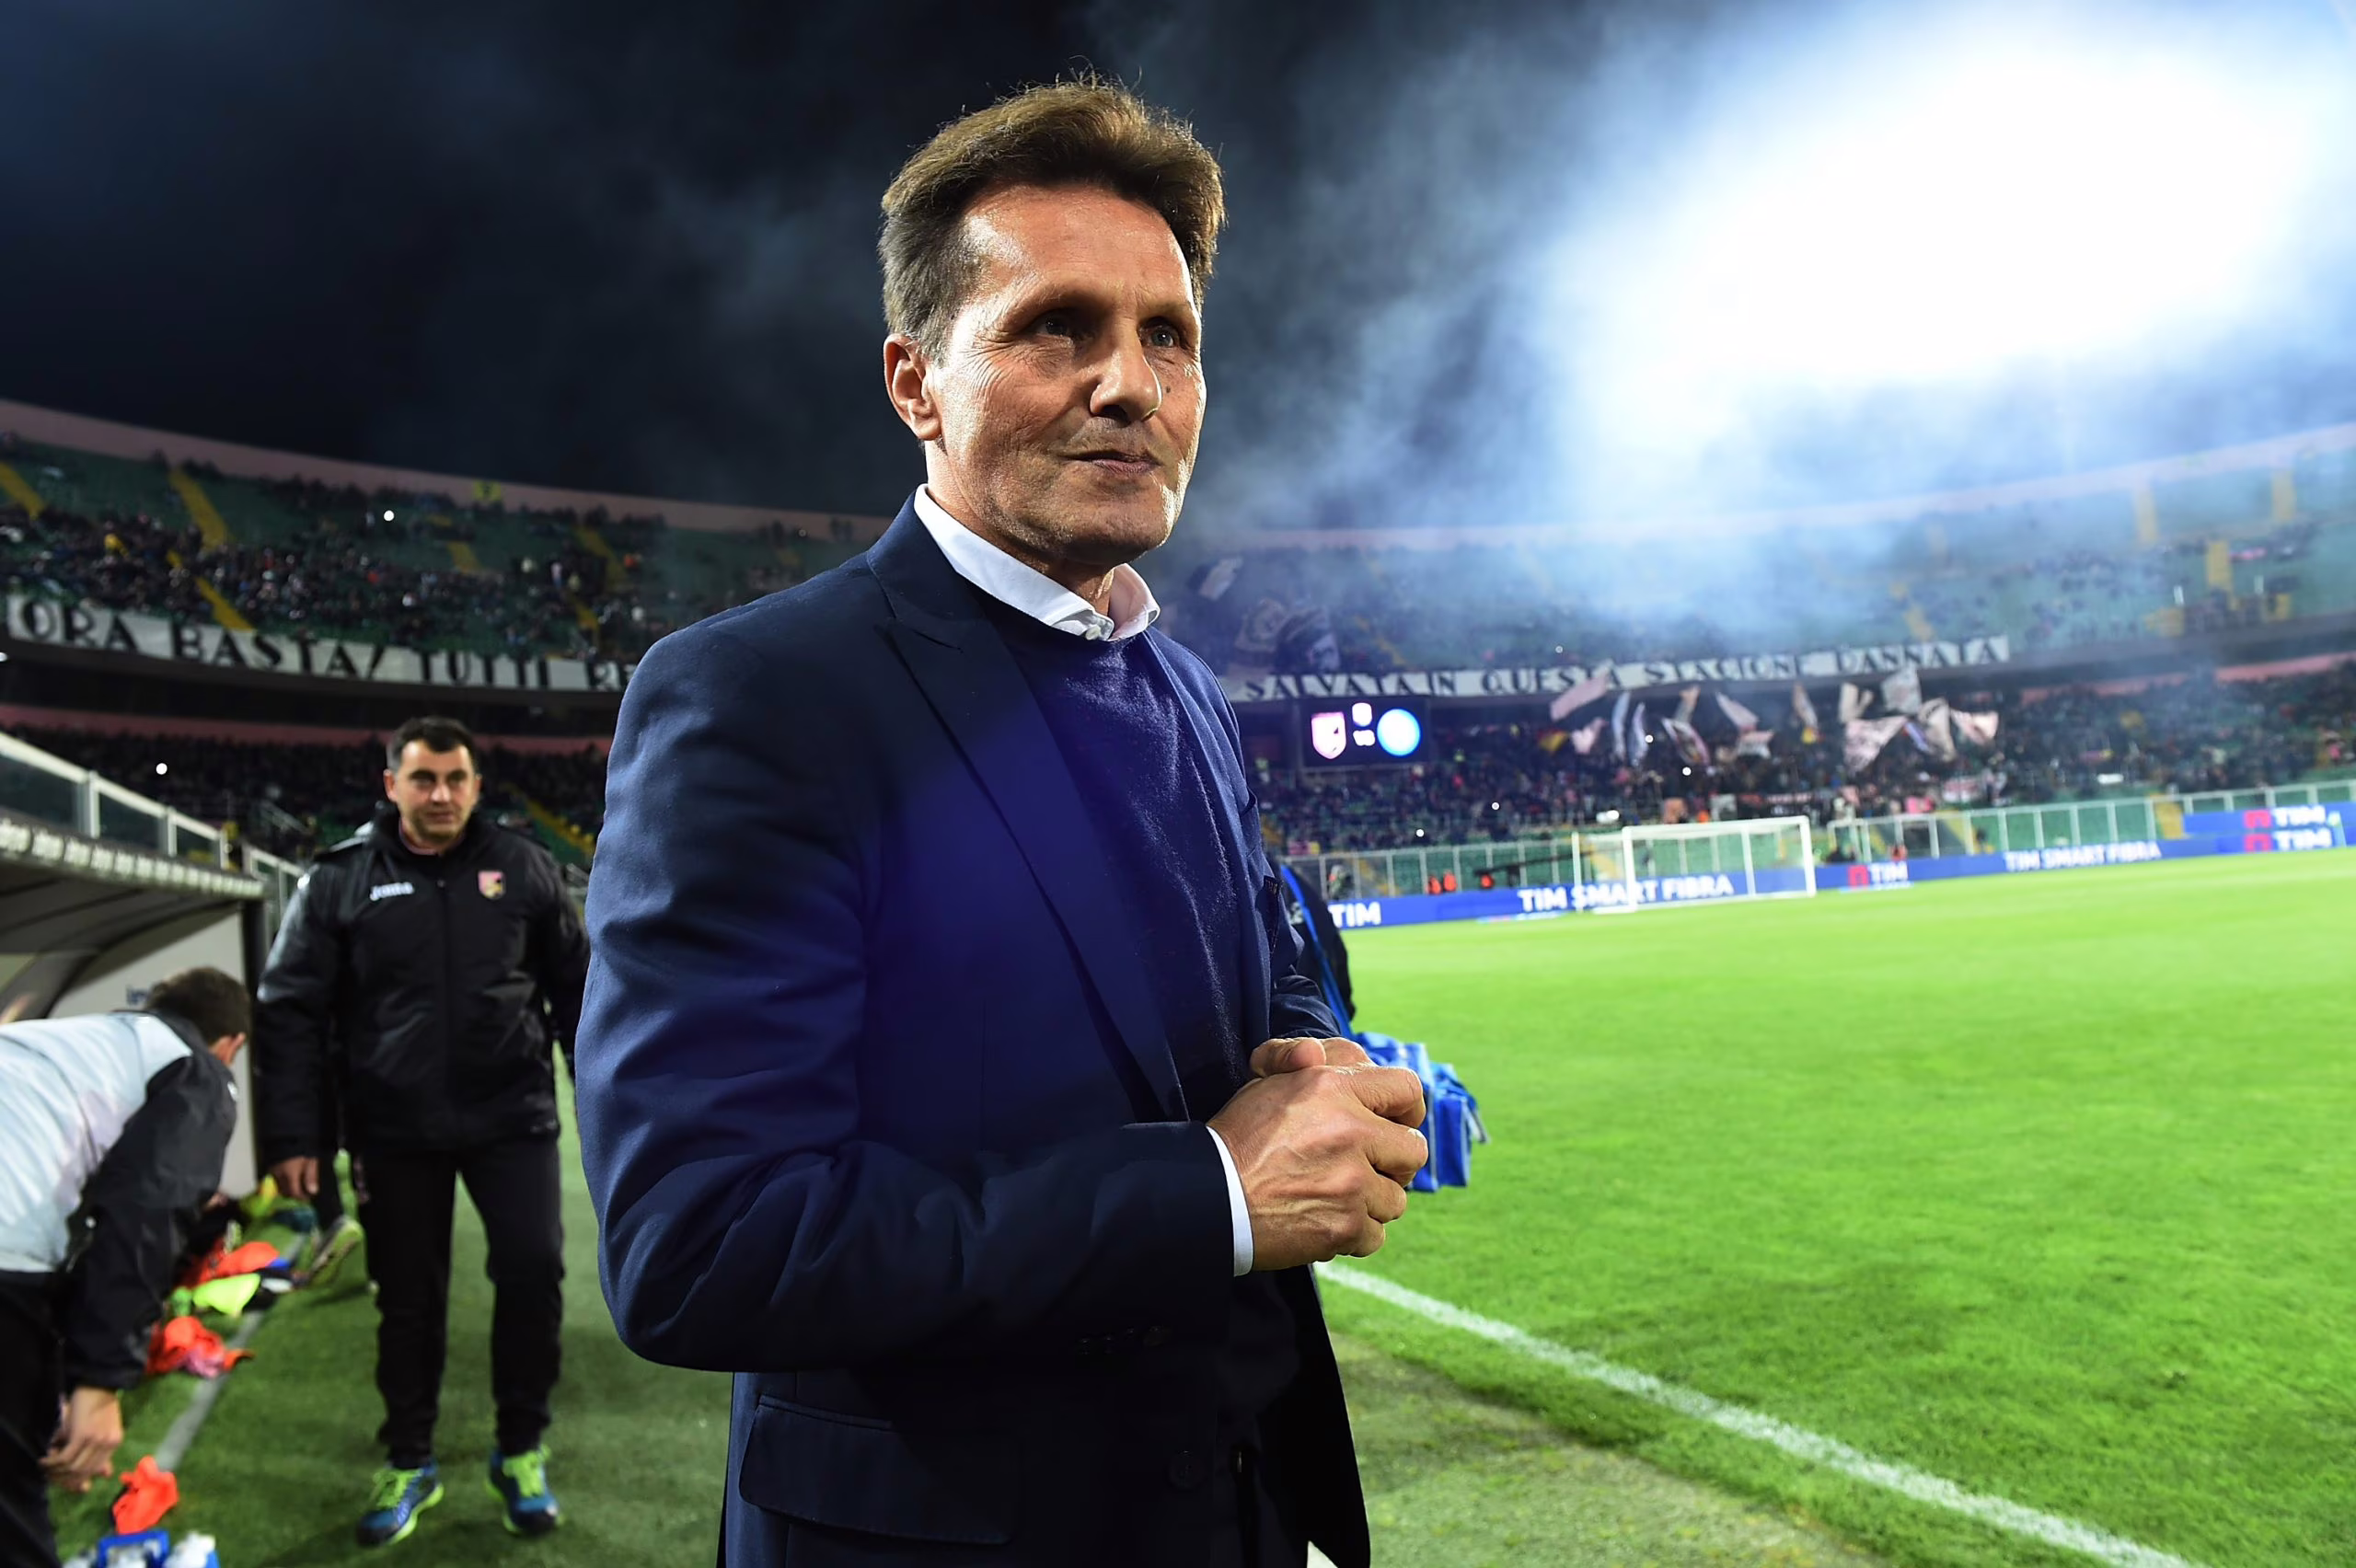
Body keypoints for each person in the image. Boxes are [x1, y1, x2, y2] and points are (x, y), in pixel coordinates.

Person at [576, 80, 1428, 1568]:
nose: (1131, 384)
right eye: (1057, 328)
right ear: (916, 382)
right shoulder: (762, 698)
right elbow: (701, 1242)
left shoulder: (1180, 684)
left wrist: (1309, 1047)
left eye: (1169, 336)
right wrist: (1211, 1192)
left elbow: (1253, 955)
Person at [255, 715, 589, 1548]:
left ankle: (521, 1448)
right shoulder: (338, 880)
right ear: (392, 785)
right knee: (408, 1301)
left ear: (476, 786)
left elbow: (578, 994)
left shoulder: (526, 868)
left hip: (513, 1117)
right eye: (423, 779)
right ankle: (410, 1459)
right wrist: (293, 1137)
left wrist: (603, 1105)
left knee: (534, 1275)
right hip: (392, 1128)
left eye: (455, 779)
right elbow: (291, 1013)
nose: (440, 794)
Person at [0, 967, 250, 1568]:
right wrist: (98, 1382)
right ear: (231, 1046)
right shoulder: (196, 1070)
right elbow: (146, 1211)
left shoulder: (69, 1041)